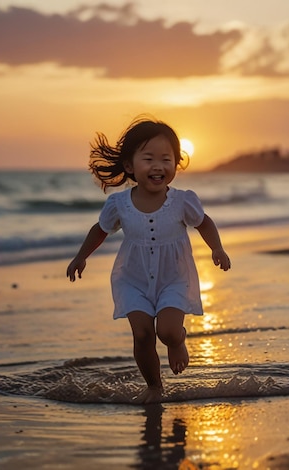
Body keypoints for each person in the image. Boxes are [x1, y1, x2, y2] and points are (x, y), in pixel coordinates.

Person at [66, 117, 231, 404]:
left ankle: (178, 340)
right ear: (130, 166)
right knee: (142, 335)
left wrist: (217, 248)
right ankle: (154, 385)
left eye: (167, 159)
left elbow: (203, 223)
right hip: (133, 278)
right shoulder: (119, 204)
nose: (158, 166)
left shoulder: (182, 201)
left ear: (175, 164)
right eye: (149, 158)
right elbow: (100, 230)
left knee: (165, 330)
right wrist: (82, 256)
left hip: (174, 277)